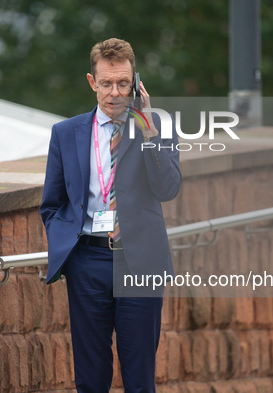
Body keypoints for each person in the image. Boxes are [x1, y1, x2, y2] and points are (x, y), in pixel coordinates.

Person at [40, 38, 181, 392]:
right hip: (88, 261)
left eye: (123, 83)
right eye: (106, 83)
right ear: (92, 82)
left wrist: (148, 129)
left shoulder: (157, 126)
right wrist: (68, 253)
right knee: (90, 376)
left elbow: (168, 189)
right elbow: (52, 203)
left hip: (140, 263)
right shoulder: (66, 133)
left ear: (136, 83)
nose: (115, 93)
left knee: (139, 376)